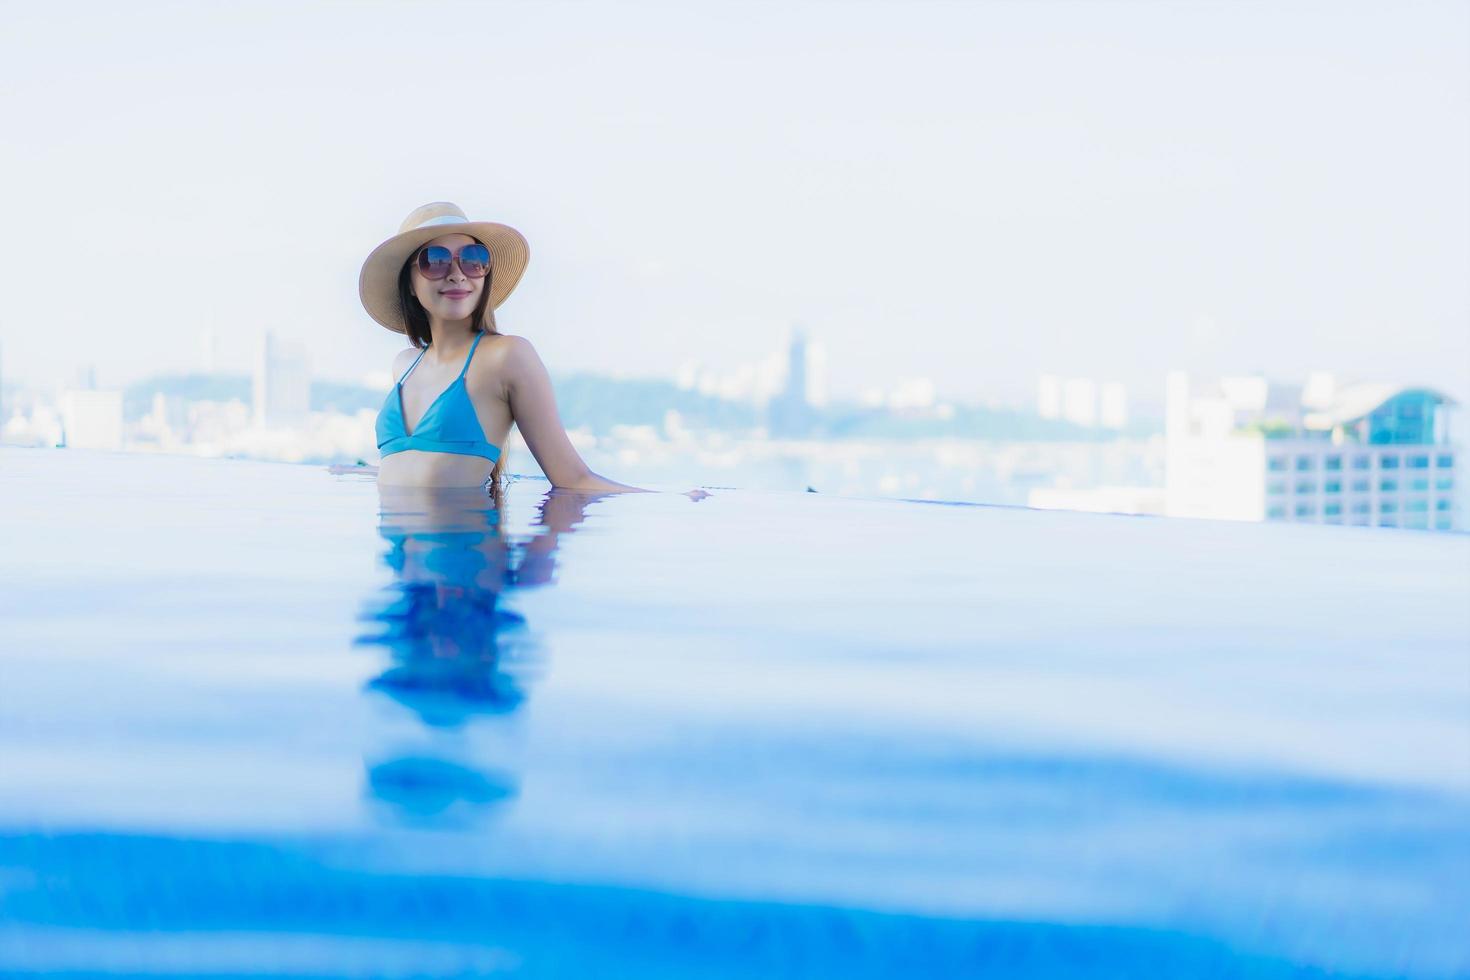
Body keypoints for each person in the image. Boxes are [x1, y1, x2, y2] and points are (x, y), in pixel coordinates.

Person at [358, 201, 708, 500]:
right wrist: (352, 471)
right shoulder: (404, 365)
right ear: (409, 283)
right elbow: (410, 466)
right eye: (435, 260)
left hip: (461, 573)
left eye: (473, 259)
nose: (457, 274)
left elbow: (573, 478)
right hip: (400, 575)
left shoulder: (508, 357)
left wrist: (668, 499)